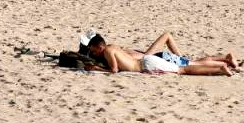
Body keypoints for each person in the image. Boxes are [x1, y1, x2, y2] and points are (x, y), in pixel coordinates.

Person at [85, 33, 234, 76]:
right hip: (148, 61)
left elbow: (114, 70)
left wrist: (95, 69)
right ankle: (222, 65)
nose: (93, 52)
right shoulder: (113, 47)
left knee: (184, 69)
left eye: (93, 50)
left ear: (100, 47)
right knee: (187, 65)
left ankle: (221, 68)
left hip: (147, 64)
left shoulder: (108, 51)